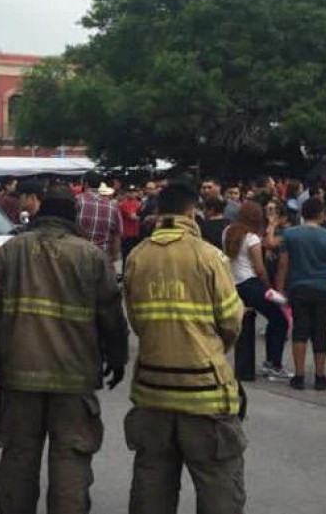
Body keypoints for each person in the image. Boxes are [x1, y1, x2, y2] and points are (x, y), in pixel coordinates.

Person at [0, 184, 128, 514]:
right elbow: (111, 316)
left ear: (40, 212)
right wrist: (117, 359)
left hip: (18, 373)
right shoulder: (91, 256)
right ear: (73, 217)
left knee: (19, 455)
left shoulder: (11, 251)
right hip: (74, 378)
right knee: (71, 457)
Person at [122, 181, 245, 514]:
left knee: (152, 480)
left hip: (152, 391)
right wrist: (212, 348)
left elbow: (137, 321)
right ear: (193, 212)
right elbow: (232, 320)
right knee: (218, 480)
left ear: (159, 211)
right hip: (205, 390)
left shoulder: (137, 256)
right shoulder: (209, 256)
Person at [276, 197, 326, 391]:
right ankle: (320, 376)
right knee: (320, 332)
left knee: (300, 331)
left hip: (298, 288)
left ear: (302, 214)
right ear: (321, 214)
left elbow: (283, 264)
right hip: (323, 288)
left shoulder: (290, 234)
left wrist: (280, 289)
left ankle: (299, 375)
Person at [224, 201, 291, 380]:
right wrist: (268, 287)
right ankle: (273, 363)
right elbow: (259, 268)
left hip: (234, 284)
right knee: (280, 319)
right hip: (251, 283)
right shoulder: (251, 238)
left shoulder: (227, 232)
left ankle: (250, 365)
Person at [75, 171, 121, 262]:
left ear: (86, 184)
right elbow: (117, 235)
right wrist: (113, 257)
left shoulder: (77, 201)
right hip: (102, 258)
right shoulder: (113, 207)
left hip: (78, 257)